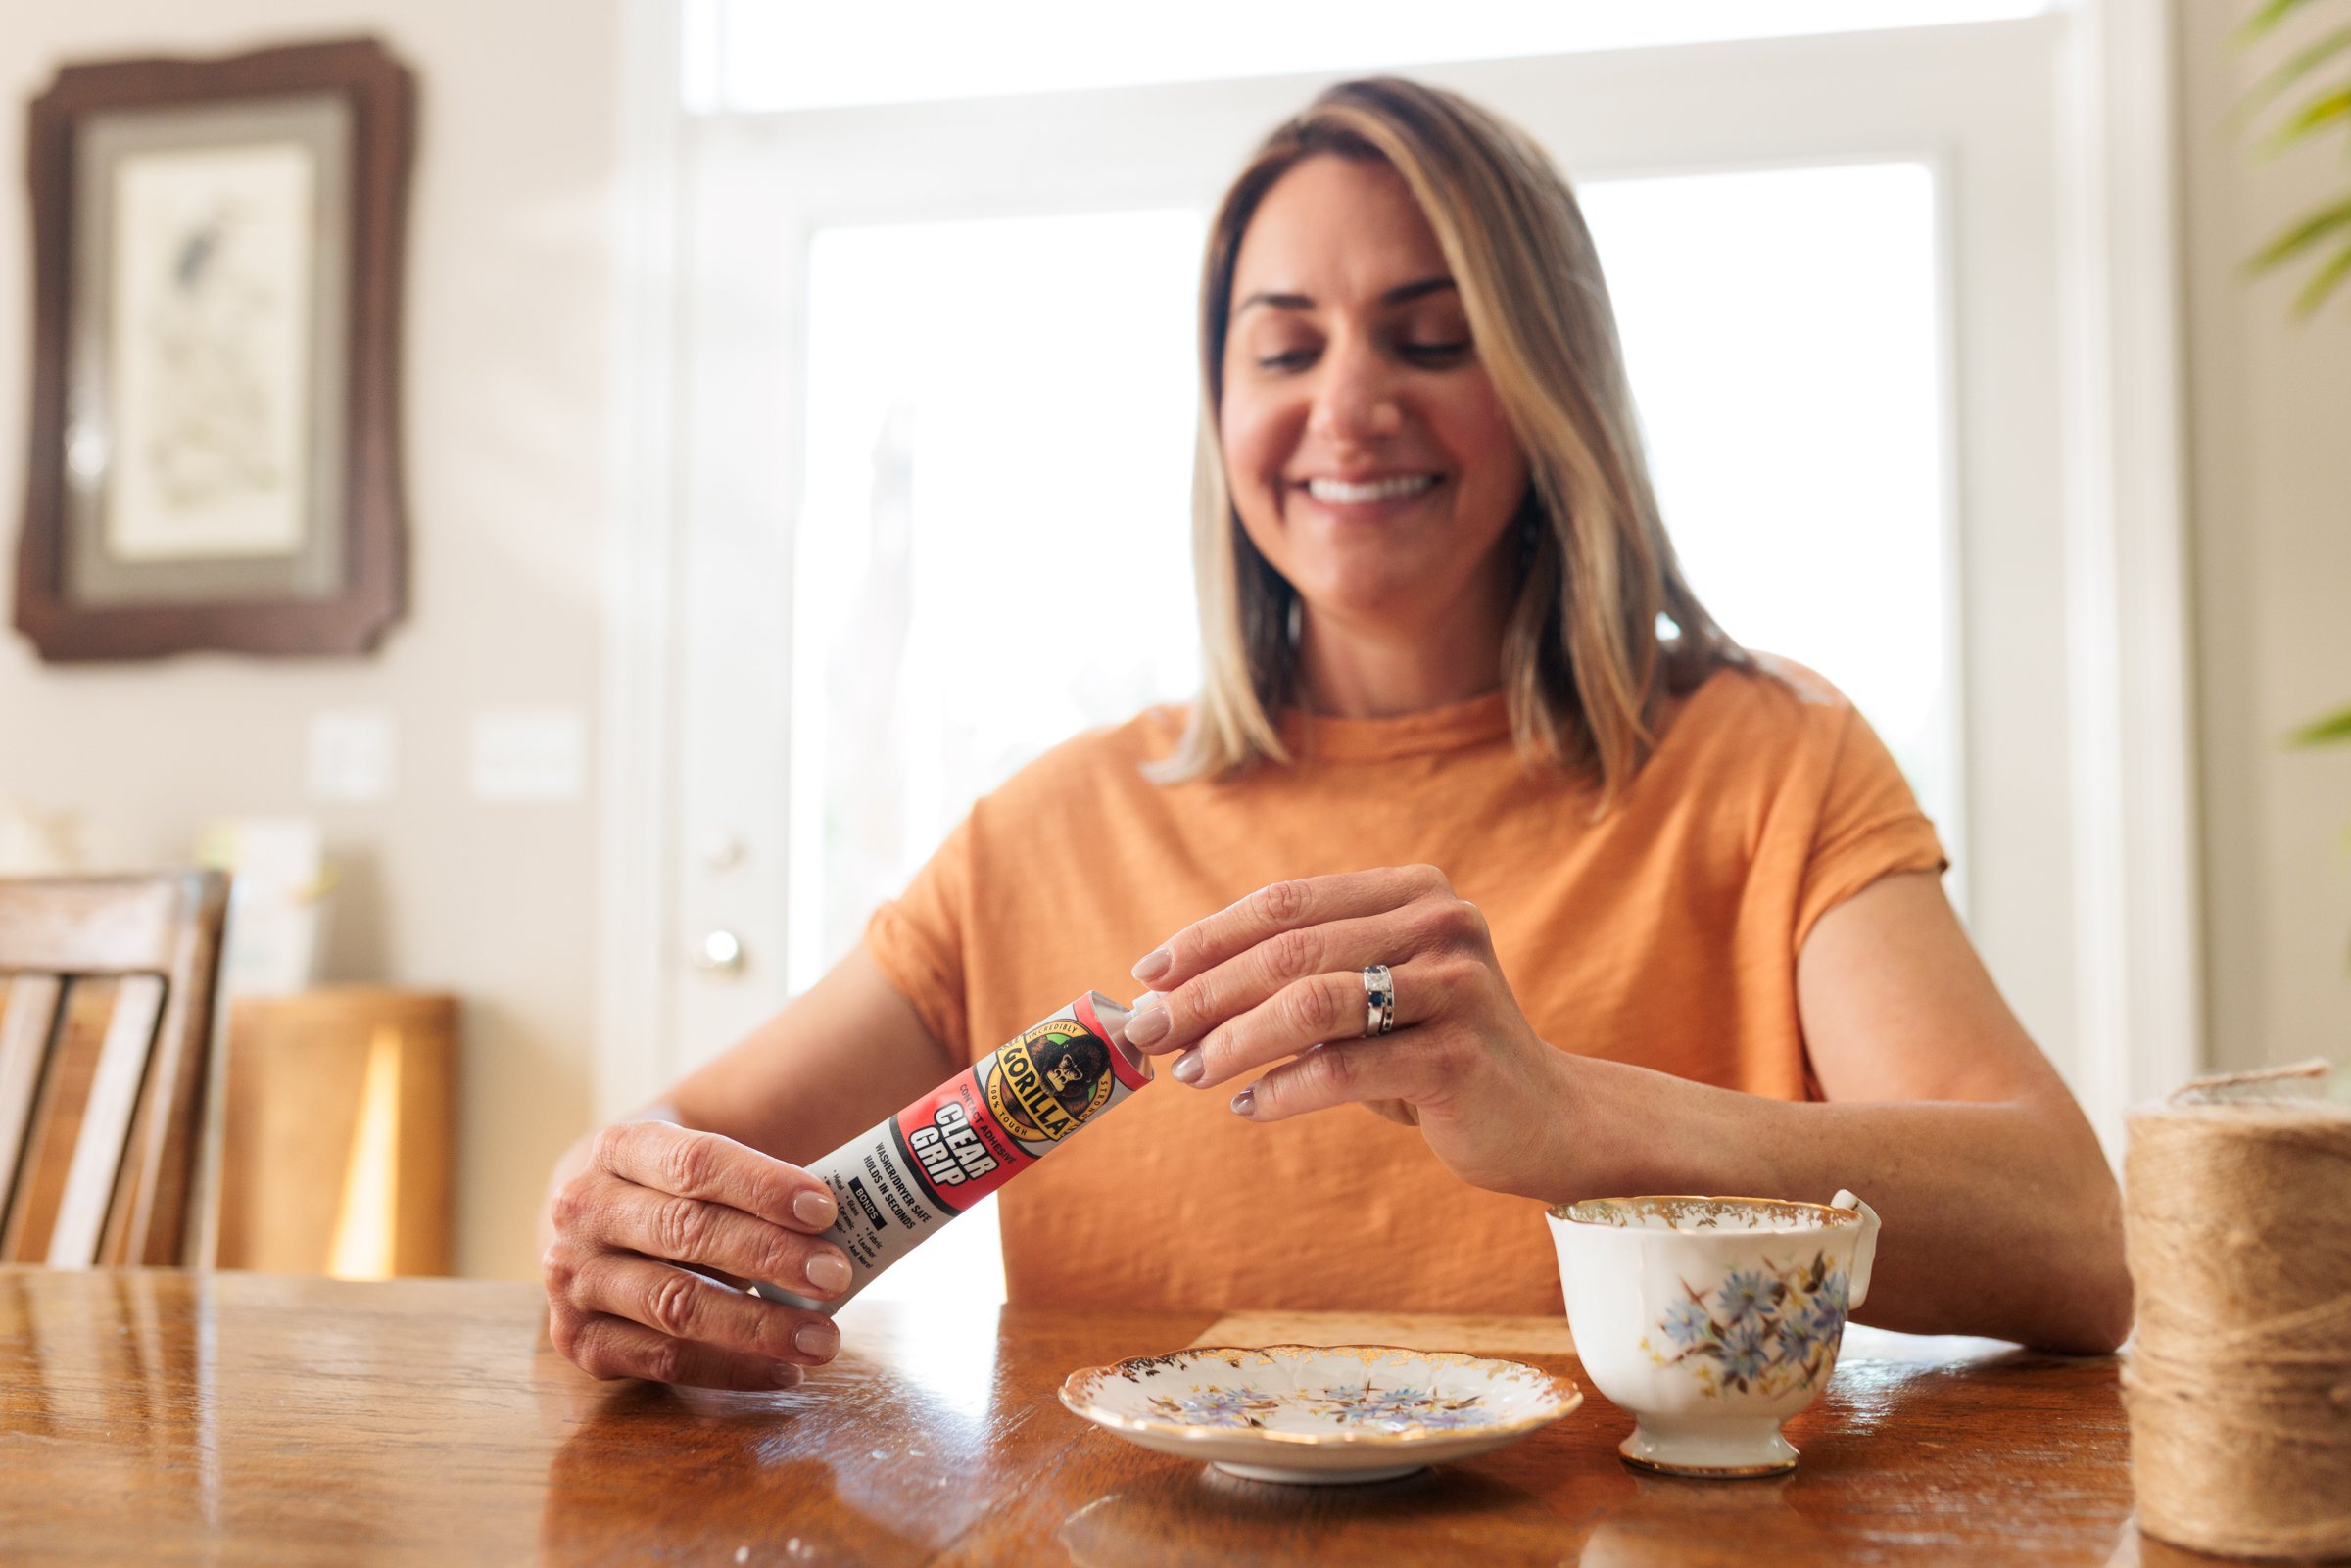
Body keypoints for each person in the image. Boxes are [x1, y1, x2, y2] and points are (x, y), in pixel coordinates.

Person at [540, 77, 2132, 1392]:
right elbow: (692, 1144)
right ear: (1222, 413)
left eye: (1430, 337)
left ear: (1546, 380)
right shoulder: (1045, 828)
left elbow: (2070, 1241)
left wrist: (1579, 1121)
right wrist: (628, 1213)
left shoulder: (1768, 760)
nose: (1349, 404)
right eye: (1284, 347)